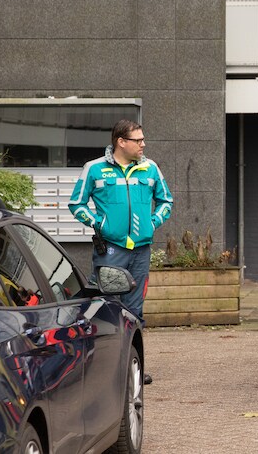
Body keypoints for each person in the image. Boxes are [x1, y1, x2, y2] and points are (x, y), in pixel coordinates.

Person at [69, 120, 173, 385]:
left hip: (141, 250)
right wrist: (98, 223)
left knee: (135, 311)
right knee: (107, 308)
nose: (143, 144)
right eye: (138, 140)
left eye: (143, 139)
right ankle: (101, 370)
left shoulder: (150, 168)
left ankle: (132, 369)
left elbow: (166, 201)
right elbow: (76, 203)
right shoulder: (94, 169)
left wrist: (152, 223)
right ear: (121, 142)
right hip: (111, 251)